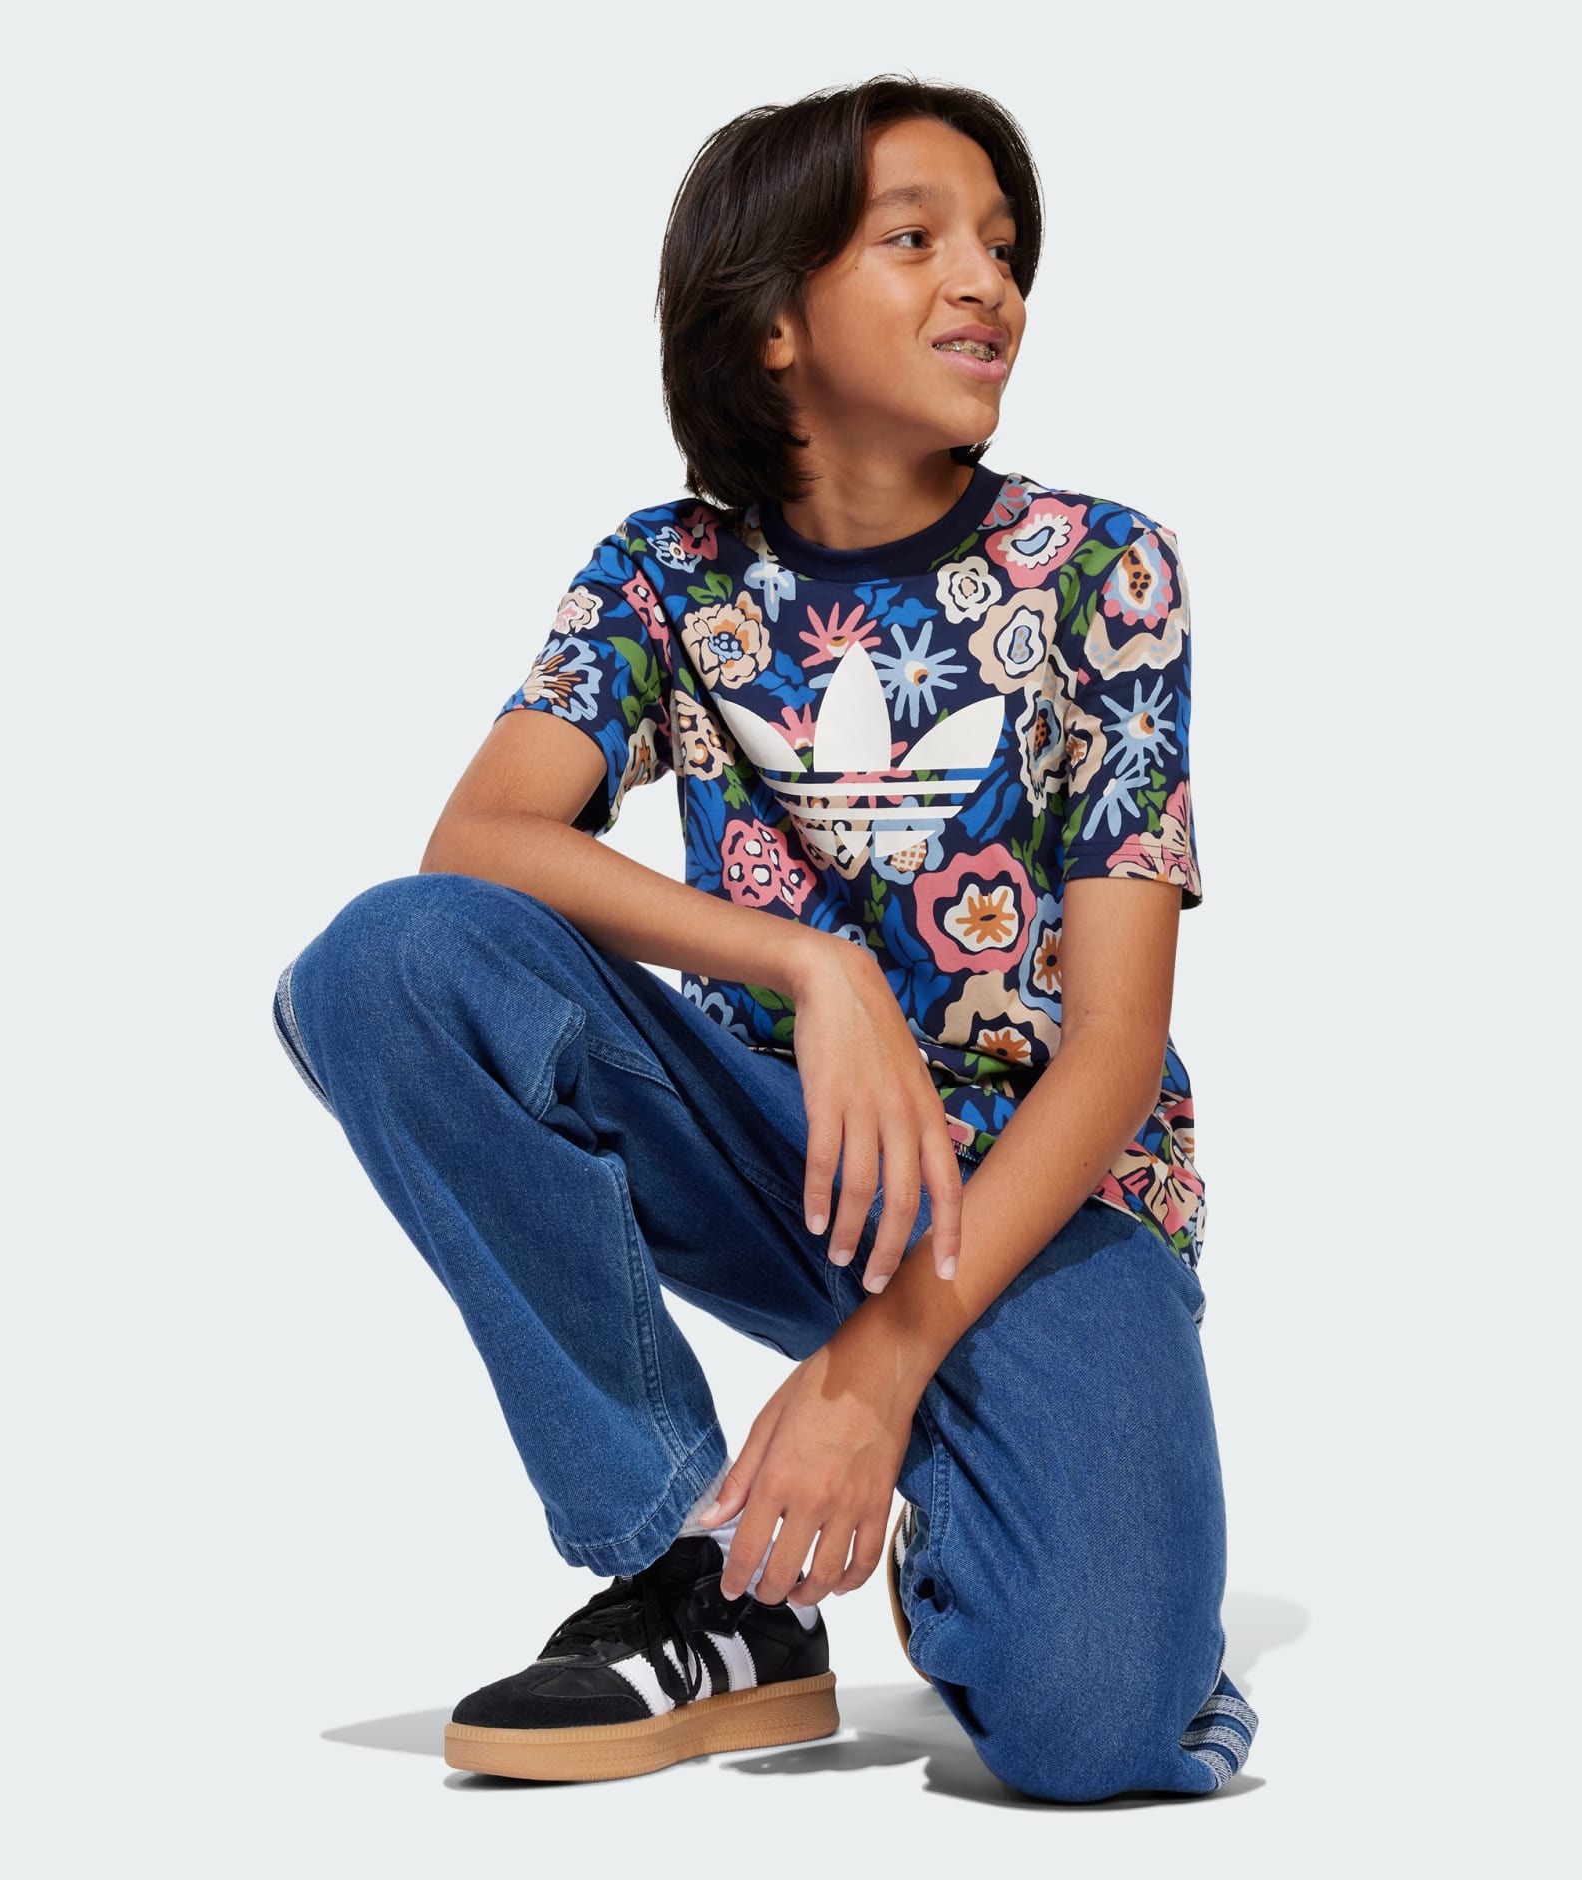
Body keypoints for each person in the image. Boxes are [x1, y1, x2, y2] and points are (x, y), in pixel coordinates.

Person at [270, 74, 1256, 1804]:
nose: (989, 283)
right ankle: (707, 1574)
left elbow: (1112, 1050)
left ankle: (985, 1514)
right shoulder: (666, 573)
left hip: (1052, 1194)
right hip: (786, 1148)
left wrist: (879, 1374)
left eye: (1003, 247)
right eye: (916, 240)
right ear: (777, 320)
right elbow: (480, 841)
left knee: (1096, 1726)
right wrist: (814, 963)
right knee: (397, 963)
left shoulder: (1106, 571)